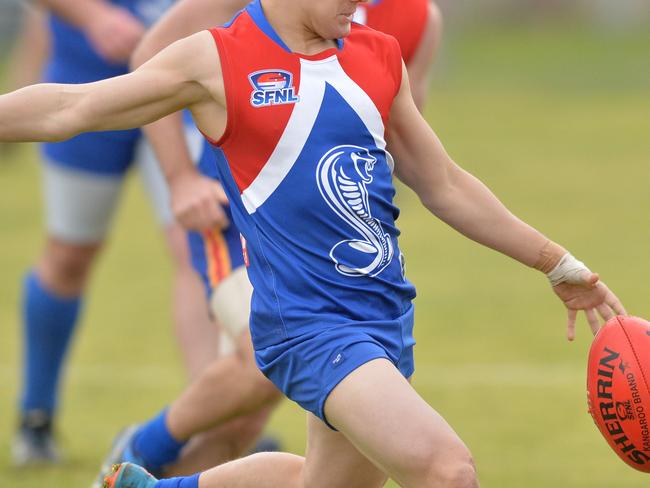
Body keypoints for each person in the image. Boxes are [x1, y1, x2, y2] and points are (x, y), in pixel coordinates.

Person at [0, 0, 626, 486]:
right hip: (306, 326)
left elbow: (446, 184)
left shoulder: (378, 55)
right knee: (447, 470)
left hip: (385, 319)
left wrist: (556, 263)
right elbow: (71, 108)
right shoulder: (217, 57)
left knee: (315, 481)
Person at [90, 0, 443, 479]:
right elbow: (150, 54)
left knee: (248, 431)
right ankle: (142, 446)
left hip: (321, 249)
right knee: (258, 366)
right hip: (231, 216)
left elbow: (398, 138)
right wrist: (179, 179)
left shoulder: (415, 18)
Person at [10, 0, 224, 466]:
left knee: (196, 243)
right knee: (69, 256)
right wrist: (95, 17)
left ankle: (213, 424)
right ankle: (36, 416)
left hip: (181, 85)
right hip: (84, 78)